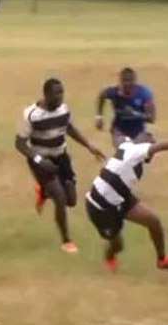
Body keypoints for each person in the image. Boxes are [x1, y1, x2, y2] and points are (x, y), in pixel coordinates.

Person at [85, 131, 168, 273]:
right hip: (100, 206)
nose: (152, 154)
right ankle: (110, 257)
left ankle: (162, 260)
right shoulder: (137, 151)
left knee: (154, 222)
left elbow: (118, 137)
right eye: (150, 148)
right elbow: (163, 146)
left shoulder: (127, 145)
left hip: (121, 197)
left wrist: (115, 130)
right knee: (118, 245)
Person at [15, 78, 107, 253]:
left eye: (62, 92)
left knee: (71, 201)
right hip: (41, 160)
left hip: (61, 157)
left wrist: (89, 146)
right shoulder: (31, 114)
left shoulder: (63, 110)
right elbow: (19, 144)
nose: (60, 97)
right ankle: (66, 240)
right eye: (56, 93)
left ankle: (43, 191)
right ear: (46, 94)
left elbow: (69, 129)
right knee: (60, 198)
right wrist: (40, 161)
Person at [95, 67, 156, 146]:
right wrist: (99, 117)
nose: (127, 85)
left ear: (135, 81)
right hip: (119, 130)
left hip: (138, 131)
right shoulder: (114, 93)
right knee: (123, 151)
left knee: (140, 153)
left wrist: (135, 113)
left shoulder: (143, 93)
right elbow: (102, 96)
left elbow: (151, 118)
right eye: (125, 82)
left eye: (130, 82)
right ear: (120, 82)